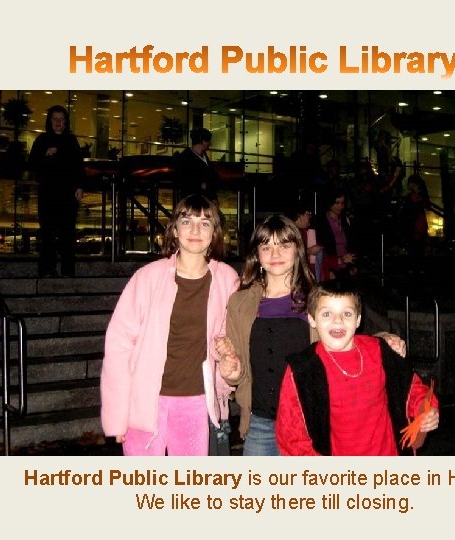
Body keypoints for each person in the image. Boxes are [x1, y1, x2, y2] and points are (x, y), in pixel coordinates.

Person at [215, 215, 407, 456]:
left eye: (284, 245)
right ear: (257, 255)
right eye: (266, 247)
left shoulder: (317, 298)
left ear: (298, 250)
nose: (275, 254)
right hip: (261, 423)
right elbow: (239, 368)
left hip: (311, 420)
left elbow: (348, 338)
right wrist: (232, 372)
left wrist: (385, 339)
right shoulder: (240, 303)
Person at [100, 194, 240, 456]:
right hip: (144, 403)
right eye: (186, 222)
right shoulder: (148, 277)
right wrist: (117, 415)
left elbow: (227, 339)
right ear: (175, 230)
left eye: (205, 223)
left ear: (215, 233)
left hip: (195, 402)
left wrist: (226, 359)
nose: (195, 230)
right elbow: (119, 347)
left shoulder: (226, 279)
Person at [275, 281, 439, 456]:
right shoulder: (303, 370)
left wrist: (426, 410)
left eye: (347, 313)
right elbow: (291, 436)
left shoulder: (379, 351)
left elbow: (412, 389)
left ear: (358, 320)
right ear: (312, 319)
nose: (337, 320)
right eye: (327, 314)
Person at [27, 105, 85, 277]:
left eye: (61, 119)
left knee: (68, 232)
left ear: (66, 122)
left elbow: (79, 166)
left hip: (68, 194)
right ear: (49, 121)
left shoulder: (71, 141)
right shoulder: (42, 140)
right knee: (48, 232)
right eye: (55, 119)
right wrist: (45, 154)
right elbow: (32, 164)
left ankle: (68, 270)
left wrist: (80, 186)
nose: (58, 122)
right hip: (48, 193)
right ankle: (47, 269)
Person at [314, 188, 357, 282]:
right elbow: (323, 248)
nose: (340, 206)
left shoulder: (345, 219)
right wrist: (328, 269)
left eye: (342, 203)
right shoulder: (322, 222)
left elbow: (351, 243)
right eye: (337, 203)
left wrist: (352, 265)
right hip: (332, 265)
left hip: (346, 263)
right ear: (330, 203)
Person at [175, 127, 220, 203]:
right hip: (194, 200)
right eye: (208, 141)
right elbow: (187, 181)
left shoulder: (202, 156)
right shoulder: (186, 157)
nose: (209, 144)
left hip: (205, 198)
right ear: (203, 141)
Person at [291, 203, 322, 280]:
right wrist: (309, 251)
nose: (310, 216)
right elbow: (290, 254)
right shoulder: (288, 233)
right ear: (299, 216)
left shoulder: (304, 232)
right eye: (308, 214)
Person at [403, 174, 430, 256]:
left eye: (409, 183)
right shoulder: (419, 195)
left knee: (415, 248)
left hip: (416, 224)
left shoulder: (416, 196)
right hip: (417, 224)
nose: (408, 185)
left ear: (414, 184)